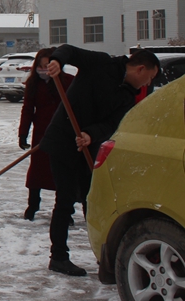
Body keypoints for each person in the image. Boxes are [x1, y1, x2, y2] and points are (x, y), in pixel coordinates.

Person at [40, 46, 159, 277]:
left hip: (87, 147)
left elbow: (112, 123)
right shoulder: (103, 63)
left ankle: (105, 256)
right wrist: (57, 61)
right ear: (141, 68)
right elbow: (69, 51)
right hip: (63, 140)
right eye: (149, 77)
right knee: (65, 199)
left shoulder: (127, 95)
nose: (147, 84)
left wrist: (91, 134)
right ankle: (59, 257)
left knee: (92, 201)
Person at [18, 48, 73, 221]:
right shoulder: (34, 84)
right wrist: (23, 134)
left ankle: (65, 210)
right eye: (40, 67)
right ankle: (33, 205)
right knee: (37, 173)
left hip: (63, 134)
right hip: (41, 133)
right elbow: (27, 110)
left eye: (47, 66)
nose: (44, 70)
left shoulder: (68, 82)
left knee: (63, 175)